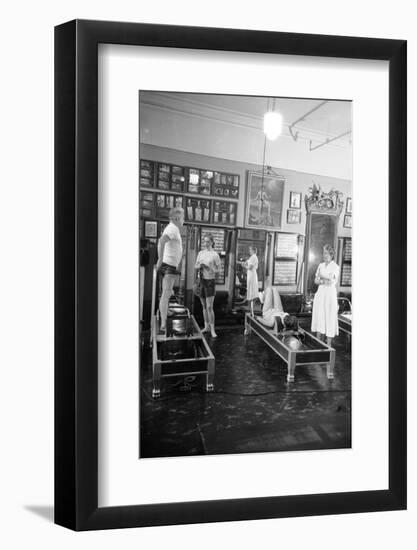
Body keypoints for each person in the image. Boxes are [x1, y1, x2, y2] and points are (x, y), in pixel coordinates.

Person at [156, 207, 184, 332]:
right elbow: (161, 241)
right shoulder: (172, 228)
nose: (183, 220)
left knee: (167, 292)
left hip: (169, 265)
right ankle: (163, 324)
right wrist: (160, 259)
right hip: (168, 266)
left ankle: (166, 311)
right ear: (177, 218)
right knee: (166, 293)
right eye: (183, 217)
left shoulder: (172, 228)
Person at [311, 244, 340, 346]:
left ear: (332, 255)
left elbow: (331, 282)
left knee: (329, 316)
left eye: (327, 253)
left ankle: (328, 346)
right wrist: (324, 279)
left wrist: (321, 279)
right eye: (324, 253)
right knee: (320, 316)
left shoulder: (335, 267)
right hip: (320, 294)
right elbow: (315, 281)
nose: (325, 255)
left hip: (330, 295)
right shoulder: (321, 265)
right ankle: (318, 343)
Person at [194, 233, 221, 338]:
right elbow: (195, 266)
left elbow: (219, 269)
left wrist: (211, 269)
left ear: (212, 242)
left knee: (210, 307)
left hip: (210, 282)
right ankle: (206, 327)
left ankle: (213, 330)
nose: (206, 243)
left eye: (208, 241)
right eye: (205, 241)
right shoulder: (201, 253)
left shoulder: (215, 255)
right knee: (204, 306)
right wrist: (199, 265)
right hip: (201, 281)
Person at [240, 246, 259, 316]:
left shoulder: (253, 257)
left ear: (253, 250)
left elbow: (250, 267)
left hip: (252, 275)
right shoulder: (252, 257)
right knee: (251, 292)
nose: (249, 251)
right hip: (251, 275)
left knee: (252, 292)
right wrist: (243, 263)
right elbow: (247, 263)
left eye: (250, 250)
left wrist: (243, 266)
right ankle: (251, 310)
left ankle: (252, 311)